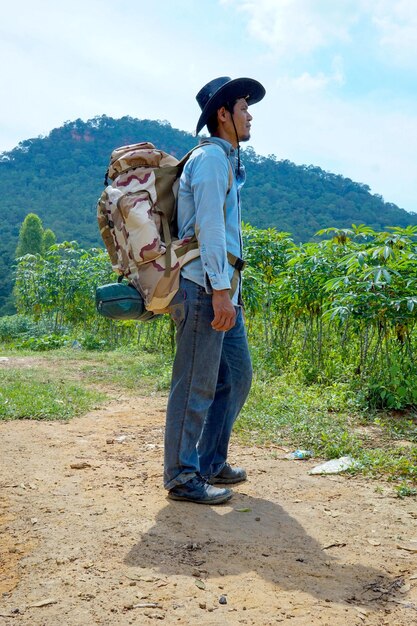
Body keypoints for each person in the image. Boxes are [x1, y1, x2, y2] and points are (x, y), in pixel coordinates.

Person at [164, 76, 266, 504]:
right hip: (205, 288)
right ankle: (182, 476)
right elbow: (208, 229)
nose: (250, 115)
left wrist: (230, 293)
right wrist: (220, 291)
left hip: (225, 290)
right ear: (222, 114)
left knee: (236, 375)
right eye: (244, 107)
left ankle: (209, 461)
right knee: (196, 383)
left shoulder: (227, 161)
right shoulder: (208, 160)